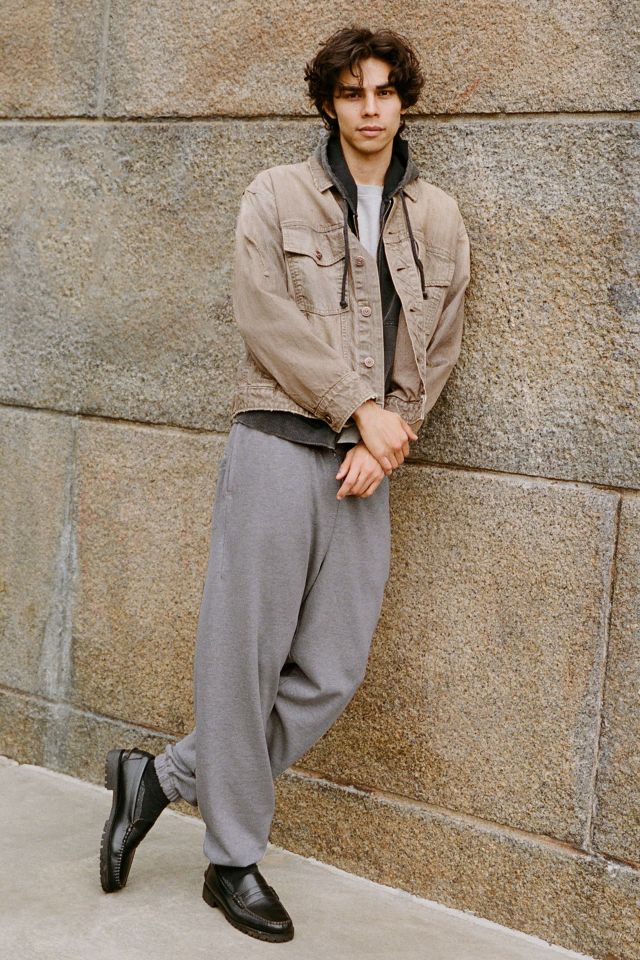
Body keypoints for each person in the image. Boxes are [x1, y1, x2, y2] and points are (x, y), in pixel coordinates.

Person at [99, 25, 471, 944]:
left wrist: (389, 436)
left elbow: (439, 340)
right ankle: (232, 861)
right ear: (329, 105)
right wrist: (357, 409)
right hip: (277, 443)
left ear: (404, 101)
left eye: (385, 91)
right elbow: (263, 316)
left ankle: (159, 780)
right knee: (244, 660)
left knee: (333, 668)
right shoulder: (275, 194)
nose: (371, 108)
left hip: (366, 464)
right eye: (352, 93)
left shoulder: (437, 217)